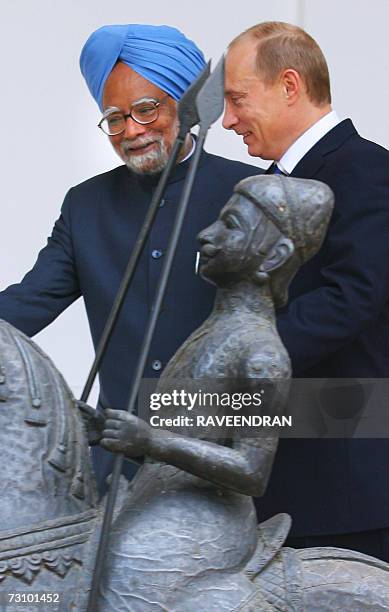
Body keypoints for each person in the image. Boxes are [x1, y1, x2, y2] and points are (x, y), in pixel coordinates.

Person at [0, 24, 260, 492]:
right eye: (115, 118)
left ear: (184, 104)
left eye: (146, 109)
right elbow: (26, 304)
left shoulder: (249, 195)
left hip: (221, 467)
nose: (131, 131)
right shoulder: (86, 206)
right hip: (119, 473)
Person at [223, 21, 389, 561]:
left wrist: (238, 359)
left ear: (289, 86)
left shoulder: (367, 170)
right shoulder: (272, 184)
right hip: (284, 489)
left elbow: (351, 298)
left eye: (237, 99)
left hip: (348, 494)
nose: (227, 121)